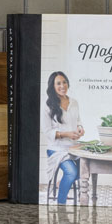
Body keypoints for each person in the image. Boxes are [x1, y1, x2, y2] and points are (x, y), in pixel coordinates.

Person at [41, 71, 85, 204]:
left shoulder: (74, 102)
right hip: (56, 149)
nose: (62, 86)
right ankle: (61, 204)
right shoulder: (47, 105)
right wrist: (66, 134)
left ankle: (61, 183)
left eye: (64, 82)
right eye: (58, 83)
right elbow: (47, 131)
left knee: (86, 168)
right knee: (72, 173)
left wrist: (80, 129)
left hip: (73, 148)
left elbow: (78, 121)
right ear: (52, 86)